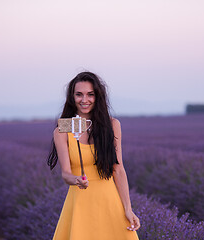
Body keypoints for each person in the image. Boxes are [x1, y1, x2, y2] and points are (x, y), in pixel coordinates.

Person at [47, 71, 140, 240]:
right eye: (79, 94)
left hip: (110, 202)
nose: (84, 100)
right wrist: (76, 180)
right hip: (80, 203)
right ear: (71, 97)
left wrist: (127, 208)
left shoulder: (112, 125)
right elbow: (66, 174)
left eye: (90, 94)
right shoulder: (62, 130)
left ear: (98, 96)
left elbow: (118, 169)